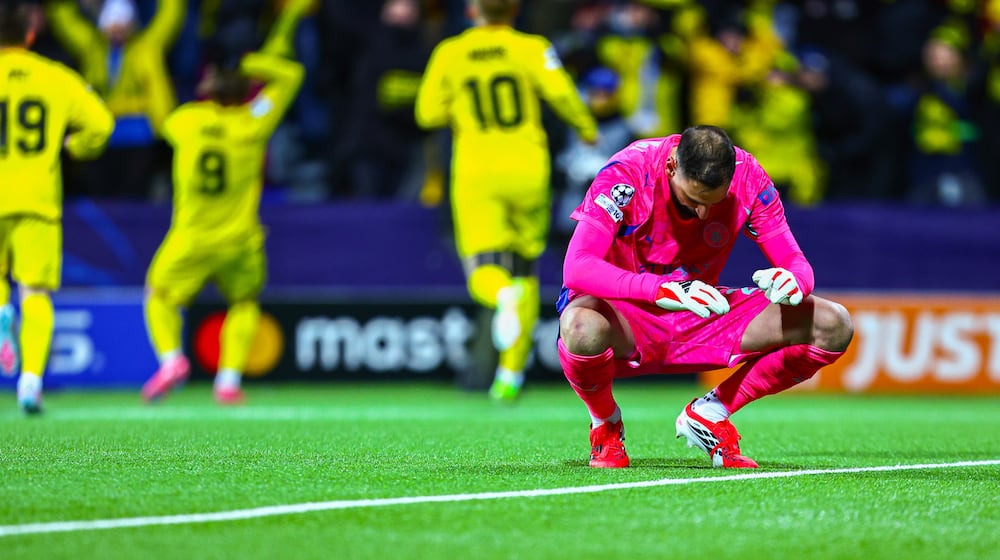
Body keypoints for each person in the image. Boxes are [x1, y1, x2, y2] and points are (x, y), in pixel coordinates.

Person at [558, 125, 854, 468]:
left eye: (713, 203)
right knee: (580, 326)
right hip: (627, 315)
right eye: (692, 201)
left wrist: (794, 282)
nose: (701, 214)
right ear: (671, 168)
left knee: (833, 323)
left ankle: (711, 412)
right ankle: (605, 424)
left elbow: (795, 262)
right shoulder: (628, 172)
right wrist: (660, 289)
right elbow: (577, 267)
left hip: (700, 313)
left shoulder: (749, 178)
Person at [415, 0, 599, 401]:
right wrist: (586, 127)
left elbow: (426, 113)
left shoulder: (450, 52)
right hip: (529, 165)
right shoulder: (531, 47)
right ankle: (510, 375)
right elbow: (561, 92)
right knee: (523, 266)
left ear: (471, 11)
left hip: (477, 169)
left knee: (485, 268)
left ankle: (502, 298)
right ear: (514, 12)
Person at [139, 39, 304, 405]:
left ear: (209, 89)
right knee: (244, 301)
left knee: (159, 296)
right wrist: (249, 61)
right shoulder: (253, 123)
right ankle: (227, 382)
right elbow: (292, 75)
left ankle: (170, 360)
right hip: (241, 240)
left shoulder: (186, 121)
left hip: (191, 238)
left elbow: (160, 113)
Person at [0, 2, 115, 414]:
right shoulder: (56, 77)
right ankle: (30, 384)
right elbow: (102, 124)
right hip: (36, 200)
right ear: (30, 36)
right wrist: (75, 146)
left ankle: (0, 314)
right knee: (35, 293)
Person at [45, 0, 185, 198]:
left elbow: (169, 18)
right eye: (113, 27)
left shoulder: (146, 47)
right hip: (103, 136)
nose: (117, 32)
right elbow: (66, 21)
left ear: (131, 25)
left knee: (134, 199)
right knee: (102, 197)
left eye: (122, 26)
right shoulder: (92, 48)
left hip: (139, 135)